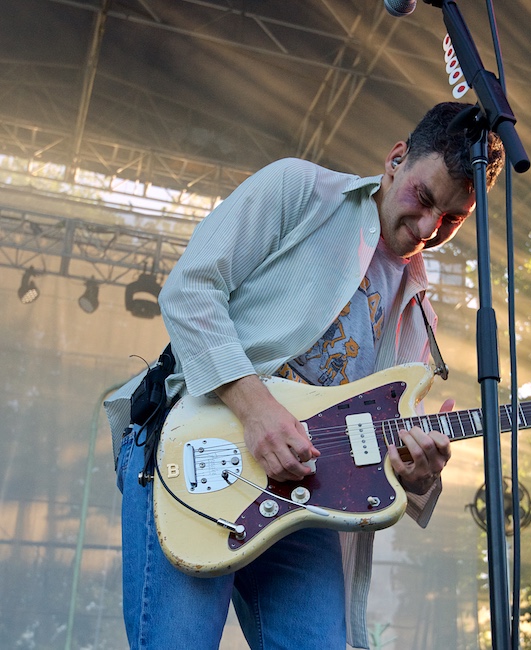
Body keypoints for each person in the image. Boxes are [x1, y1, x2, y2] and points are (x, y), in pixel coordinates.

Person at [103, 101, 505, 650]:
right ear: (396, 158)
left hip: (302, 501)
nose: (430, 227)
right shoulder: (301, 190)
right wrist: (257, 409)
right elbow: (190, 290)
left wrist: (417, 474)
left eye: (453, 219)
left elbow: (373, 449)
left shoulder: (421, 320)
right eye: (425, 198)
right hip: (198, 446)